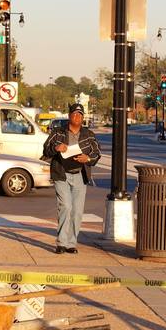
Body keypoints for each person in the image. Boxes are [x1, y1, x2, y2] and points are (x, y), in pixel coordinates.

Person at [42, 103, 101, 254]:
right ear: (69, 116)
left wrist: (87, 158)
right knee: (66, 206)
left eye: (80, 115)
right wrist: (56, 148)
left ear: (83, 118)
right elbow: (46, 149)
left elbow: (97, 153)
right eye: (74, 114)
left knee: (77, 211)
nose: (77, 117)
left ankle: (71, 243)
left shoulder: (89, 135)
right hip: (61, 173)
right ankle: (61, 243)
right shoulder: (58, 133)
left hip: (80, 175)